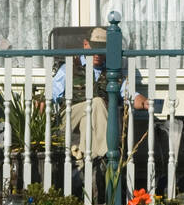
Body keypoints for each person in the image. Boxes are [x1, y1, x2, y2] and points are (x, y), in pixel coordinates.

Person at [50, 27, 148, 161]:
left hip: (92, 124)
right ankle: (107, 156)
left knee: (88, 119)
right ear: (86, 45)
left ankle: (85, 162)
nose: (98, 54)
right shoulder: (69, 67)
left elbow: (131, 94)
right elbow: (50, 94)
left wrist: (145, 102)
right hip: (68, 119)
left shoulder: (112, 74)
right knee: (96, 102)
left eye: (102, 49)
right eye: (95, 48)